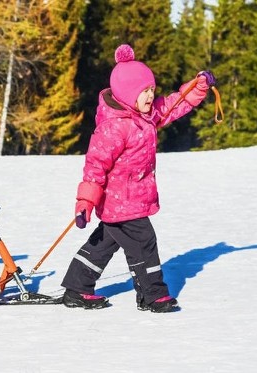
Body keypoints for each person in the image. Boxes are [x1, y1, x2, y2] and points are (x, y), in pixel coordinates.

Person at [60, 44, 216, 312]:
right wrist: (85, 202)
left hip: (128, 201)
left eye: (151, 90)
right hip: (121, 201)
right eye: (143, 91)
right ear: (126, 94)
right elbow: (95, 166)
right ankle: (152, 295)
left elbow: (174, 104)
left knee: (104, 243)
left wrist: (198, 86)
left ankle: (77, 287)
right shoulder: (114, 127)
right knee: (144, 243)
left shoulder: (145, 116)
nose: (149, 96)